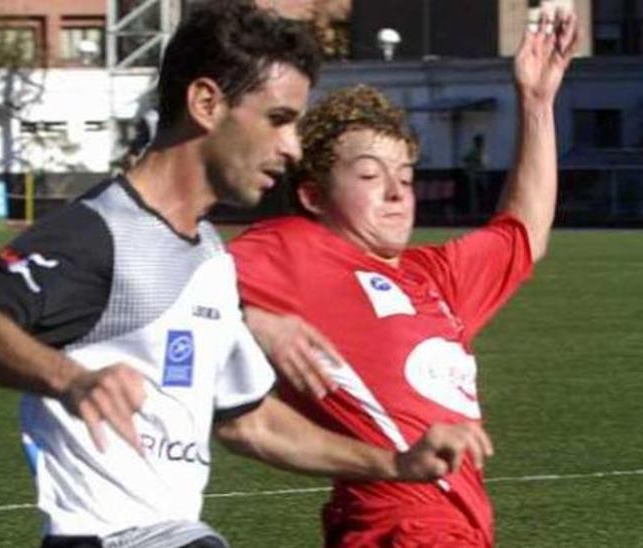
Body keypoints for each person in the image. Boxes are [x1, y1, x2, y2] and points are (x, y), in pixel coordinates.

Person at [0, 2, 490, 547]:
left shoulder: (209, 257)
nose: (292, 147)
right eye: (278, 120)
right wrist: (71, 379)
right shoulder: (102, 231)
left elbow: (251, 424)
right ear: (205, 102)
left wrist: (394, 462)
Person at [228, 7, 579, 547]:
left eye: (406, 176)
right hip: (397, 524)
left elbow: (523, 232)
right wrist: (252, 321)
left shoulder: (435, 276)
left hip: (462, 525)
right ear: (313, 195)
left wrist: (535, 102)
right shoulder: (293, 250)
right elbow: (168, 282)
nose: (396, 191)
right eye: (369, 174)